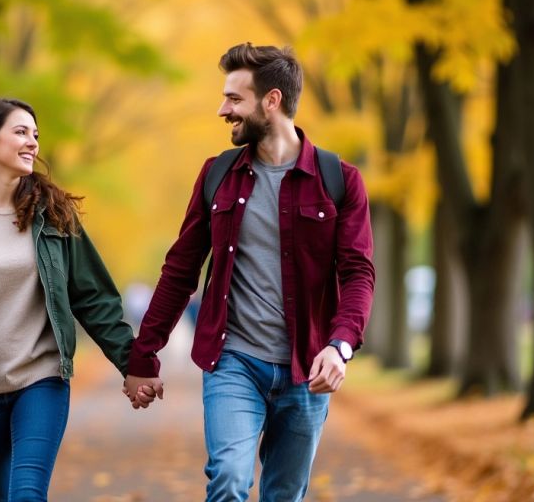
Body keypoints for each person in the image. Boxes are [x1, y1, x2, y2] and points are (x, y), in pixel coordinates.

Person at [122, 43, 375, 501]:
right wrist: (144, 356)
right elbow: (181, 269)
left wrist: (340, 347)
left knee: (283, 493)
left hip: (308, 365)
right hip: (234, 360)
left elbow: (358, 273)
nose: (223, 110)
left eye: (235, 99)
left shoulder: (340, 179)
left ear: (271, 101)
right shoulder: (218, 175)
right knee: (230, 479)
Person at [0, 98, 150, 501]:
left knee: (28, 495)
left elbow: (94, 298)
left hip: (41, 380)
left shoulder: (54, 214)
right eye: (20, 132)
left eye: (35, 134)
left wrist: (133, 364)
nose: (32, 142)